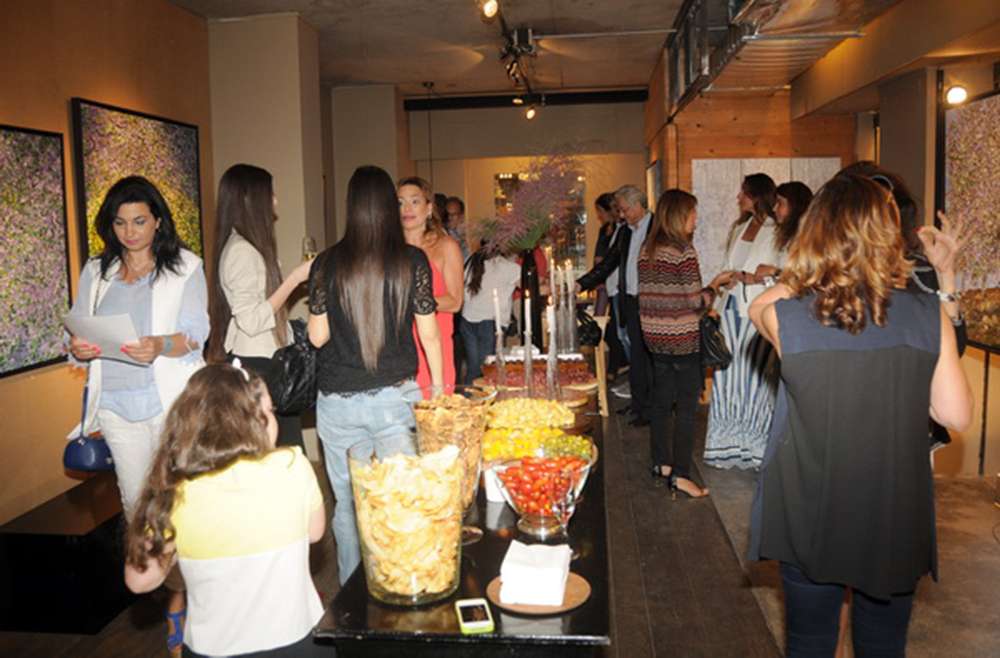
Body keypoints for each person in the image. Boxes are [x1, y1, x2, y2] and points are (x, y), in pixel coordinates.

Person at [747, 173, 972, 657]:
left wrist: (809, 266)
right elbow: (955, 414)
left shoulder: (789, 317)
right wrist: (945, 280)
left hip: (812, 509)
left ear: (815, 234)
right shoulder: (926, 313)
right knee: (883, 646)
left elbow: (758, 304)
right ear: (890, 235)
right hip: (892, 510)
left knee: (809, 643)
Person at [66, 175, 206, 655]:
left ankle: (190, 600)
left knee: (182, 512)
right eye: (121, 223)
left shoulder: (184, 267)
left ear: (158, 221)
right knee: (139, 519)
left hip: (169, 406)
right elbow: (78, 328)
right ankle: (177, 591)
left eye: (139, 221)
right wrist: (79, 347)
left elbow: (197, 333)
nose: (129, 232)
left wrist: (159, 344)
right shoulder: (97, 270)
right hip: (116, 408)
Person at [124, 364, 326, 658]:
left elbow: (139, 580)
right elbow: (315, 532)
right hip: (299, 642)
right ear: (255, 422)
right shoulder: (293, 465)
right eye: (268, 411)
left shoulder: (175, 492)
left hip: (212, 649)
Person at [308, 166, 443, 582]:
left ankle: (352, 594)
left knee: (348, 503)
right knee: (401, 499)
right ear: (389, 206)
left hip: (338, 402)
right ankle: (403, 584)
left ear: (351, 207)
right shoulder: (411, 261)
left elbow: (317, 337)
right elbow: (430, 335)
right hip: (395, 399)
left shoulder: (327, 263)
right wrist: (438, 391)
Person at [206, 164, 313, 448]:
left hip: (260, 359)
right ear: (250, 200)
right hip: (259, 364)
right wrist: (294, 280)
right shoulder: (242, 250)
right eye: (270, 194)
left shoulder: (242, 245)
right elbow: (251, 320)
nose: (275, 201)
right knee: (281, 452)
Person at [639, 190, 729, 498]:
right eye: (692, 213)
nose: (696, 219)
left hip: (654, 336)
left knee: (661, 402)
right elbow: (695, 301)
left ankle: (661, 463)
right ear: (680, 215)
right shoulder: (684, 251)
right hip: (681, 338)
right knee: (687, 408)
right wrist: (715, 286)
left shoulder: (647, 249)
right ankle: (680, 475)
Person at [703, 173, 782, 469]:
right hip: (731, 308)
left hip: (759, 311)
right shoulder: (739, 228)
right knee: (727, 377)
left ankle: (754, 449)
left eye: (744, 193)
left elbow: (786, 272)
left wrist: (758, 278)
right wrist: (724, 285)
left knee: (755, 379)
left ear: (757, 196)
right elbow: (728, 265)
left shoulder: (778, 230)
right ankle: (724, 447)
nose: (739, 198)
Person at [577, 184, 653, 426]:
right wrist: (581, 284)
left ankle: (649, 409)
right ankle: (638, 405)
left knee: (648, 358)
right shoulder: (625, 232)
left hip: (651, 302)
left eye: (624, 210)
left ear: (638, 206)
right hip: (629, 299)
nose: (621, 215)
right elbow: (608, 263)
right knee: (637, 357)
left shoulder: (656, 228)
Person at [399, 176, 463, 389]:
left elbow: (455, 302)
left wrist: (415, 302)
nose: (407, 208)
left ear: (428, 208)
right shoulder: (388, 252)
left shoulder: (445, 246)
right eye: (400, 202)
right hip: (397, 353)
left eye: (415, 201)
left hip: (434, 351)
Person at [459, 241, 520, 384]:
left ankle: (468, 395)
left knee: (473, 369)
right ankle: (483, 396)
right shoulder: (509, 267)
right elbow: (532, 286)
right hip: (490, 322)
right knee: (486, 370)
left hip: (467, 320)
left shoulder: (471, 261)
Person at [592, 192, 629, 381]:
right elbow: (600, 258)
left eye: (600, 211)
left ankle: (617, 366)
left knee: (617, 328)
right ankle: (618, 364)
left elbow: (610, 259)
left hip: (616, 284)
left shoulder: (622, 229)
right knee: (603, 326)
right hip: (605, 282)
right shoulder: (606, 230)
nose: (599, 215)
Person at [445, 195, 470, 262]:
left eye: (453, 214)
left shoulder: (468, 232)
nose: (450, 217)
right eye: (448, 214)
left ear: (461, 215)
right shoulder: (443, 232)